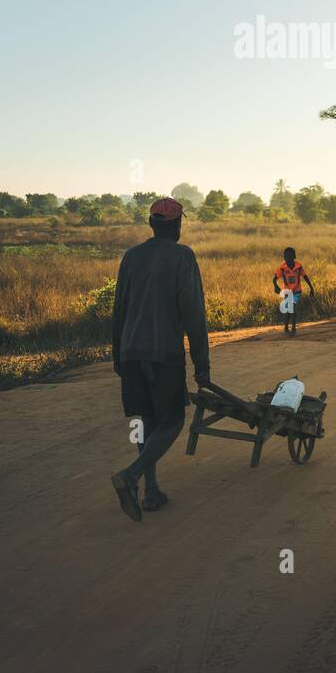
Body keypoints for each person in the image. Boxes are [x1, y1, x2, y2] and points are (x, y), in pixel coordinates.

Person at [110, 196, 211, 522]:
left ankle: (152, 491)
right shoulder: (183, 257)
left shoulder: (132, 257)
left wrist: (117, 354)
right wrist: (202, 365)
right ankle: (132, 476)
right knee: (172, 421)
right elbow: (194, 315)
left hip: (131, 352)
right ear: (178, 225)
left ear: (153, 225)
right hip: (163, 352)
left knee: (147, 419)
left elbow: (119, 310)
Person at [272, 247, 315, 336]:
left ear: (294, 256)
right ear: (284, 258)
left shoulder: (298, 266)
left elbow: (305, 276)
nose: (288, 259)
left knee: (293, 308)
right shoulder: (282, 268)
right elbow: (274, 278)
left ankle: (294, 328)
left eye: (290, 257)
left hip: (296, 291)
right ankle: (286, 327)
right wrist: (276, 286)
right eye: (286, 257)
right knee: (289, 310)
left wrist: (311, 288)